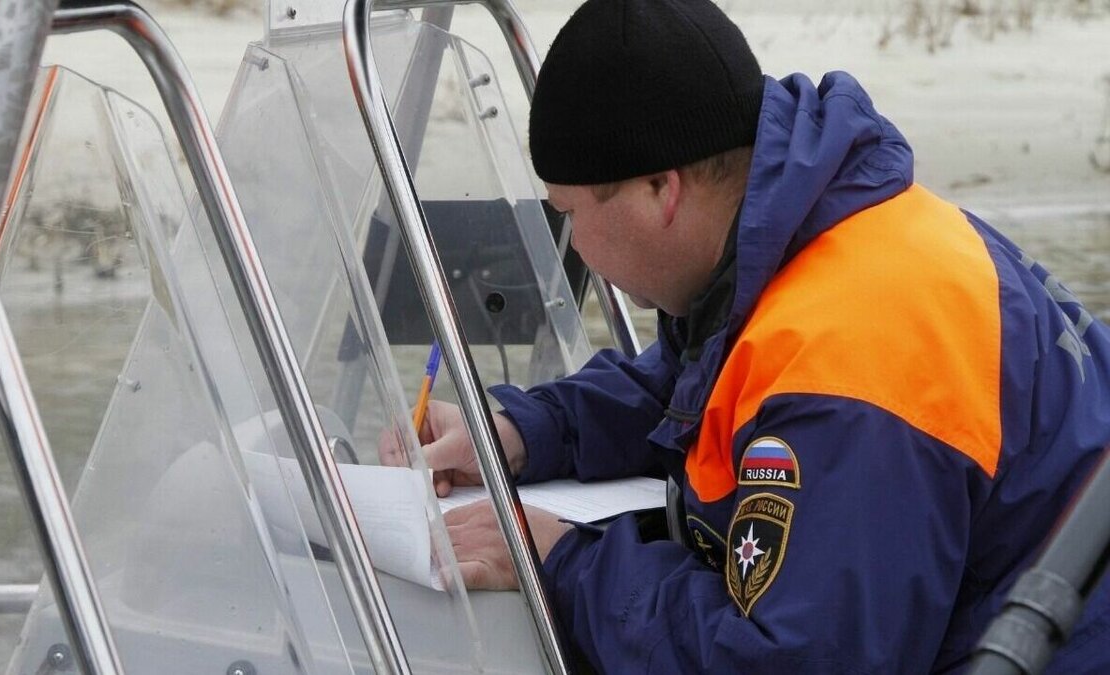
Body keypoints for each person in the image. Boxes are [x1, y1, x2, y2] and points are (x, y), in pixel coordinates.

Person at [415, 0, 1110, 671]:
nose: (577, 246)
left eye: (570, 212)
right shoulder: (825, 239)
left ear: (662, 188)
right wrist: (522, 432)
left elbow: (798, 659)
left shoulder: (852, 361)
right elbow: (693, 381)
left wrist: (560, 560)